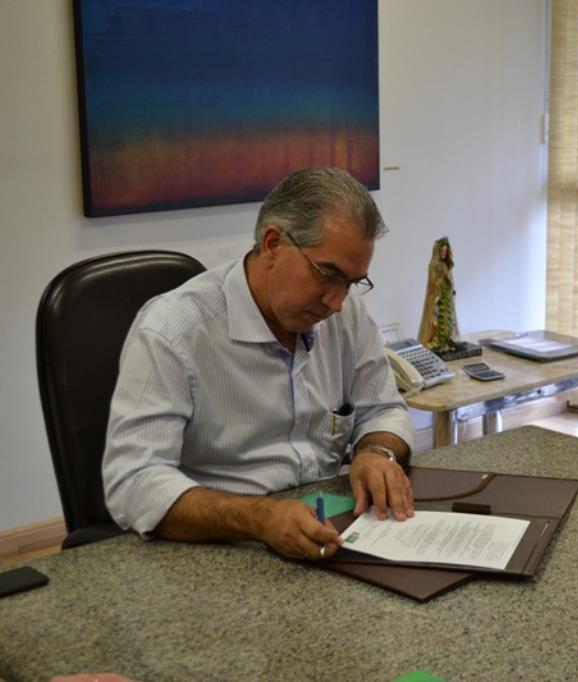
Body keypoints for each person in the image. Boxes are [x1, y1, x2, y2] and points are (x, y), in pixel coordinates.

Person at [102, 167, 415, 561]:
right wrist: (258, 518)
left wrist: (376, 452)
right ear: (273, 244)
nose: (336, 302)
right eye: (327, 275)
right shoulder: (173, 332)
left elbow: (384, 410)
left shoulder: (346, 316)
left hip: (326, 532)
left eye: (351, 283)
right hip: (215, 551)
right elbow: (134, 481)